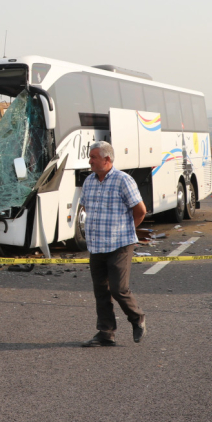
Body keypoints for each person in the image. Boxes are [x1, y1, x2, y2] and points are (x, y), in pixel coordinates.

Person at [79, 141, 147, 347]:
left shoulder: (123, 180)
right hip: (96, 244)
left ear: (107, 160)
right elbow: (85, 207)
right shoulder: (89, 181)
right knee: (101, 290)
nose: (90, 161)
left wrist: (126, 230)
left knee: (118, 289)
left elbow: (140, 210)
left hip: (120, 244)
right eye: (90, 157)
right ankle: (106, 333)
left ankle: (137, 318)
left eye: (93, 157)